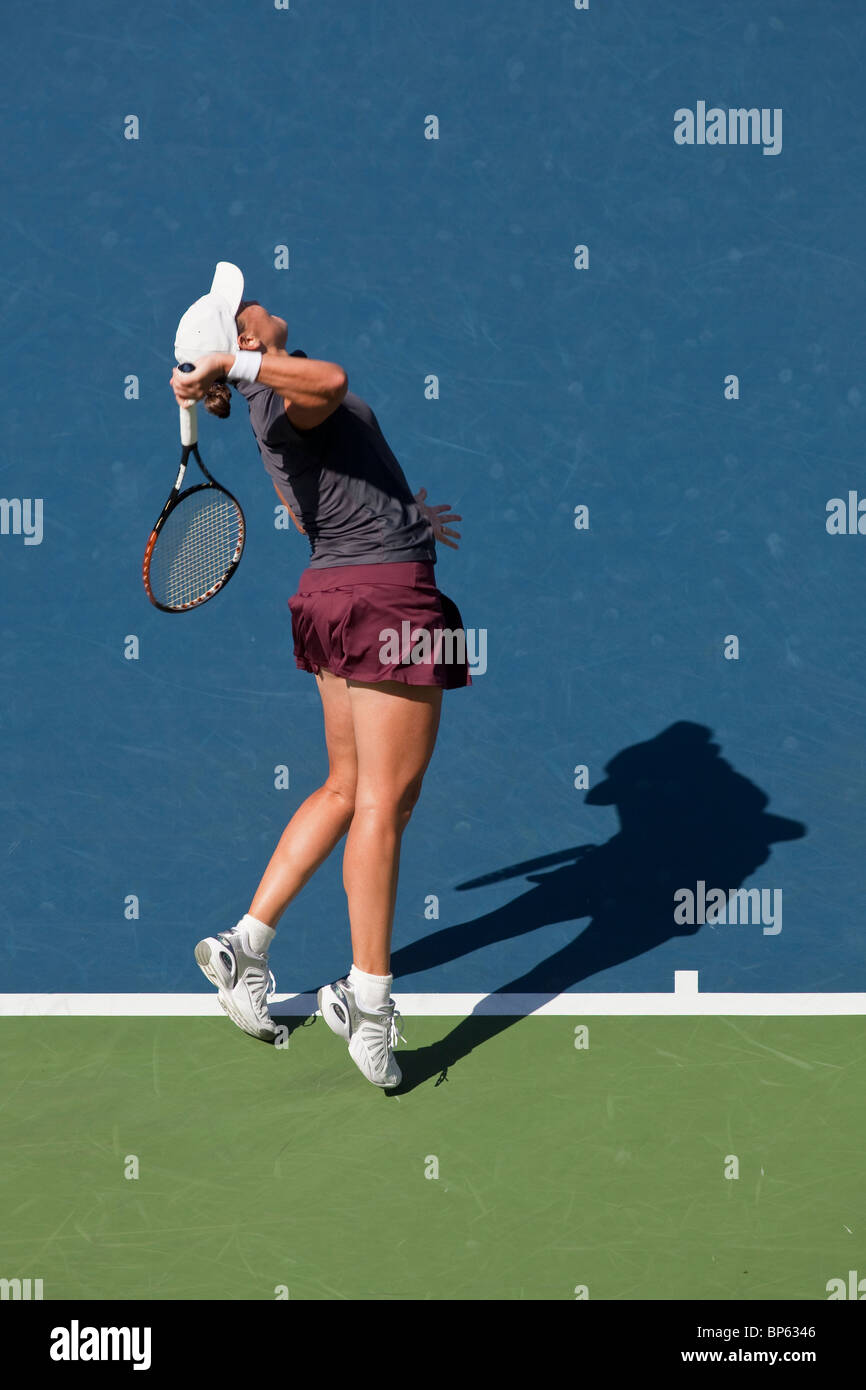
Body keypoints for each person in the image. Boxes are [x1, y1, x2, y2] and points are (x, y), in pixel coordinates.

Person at [169, 263, 470, 1088]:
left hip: (334, 594)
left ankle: (244, 947)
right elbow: (333, 383)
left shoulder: (271, 405)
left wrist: (403, 516)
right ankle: (366, 1001)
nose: (259, 299)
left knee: (345, 786)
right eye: (245, 308)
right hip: (388, 604)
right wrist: (233, 368)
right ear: (243, 338)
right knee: (386, 802)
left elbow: (320, 503)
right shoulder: (283, 391)